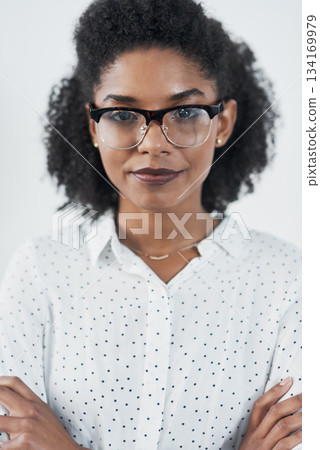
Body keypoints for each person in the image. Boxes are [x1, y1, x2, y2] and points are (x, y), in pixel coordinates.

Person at [0, 0, 301, 448]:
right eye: (122, 115)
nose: (154, 144)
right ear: (93, 125)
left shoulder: (289, 279)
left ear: (223, 124)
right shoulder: (41, 270)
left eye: (184, 113)